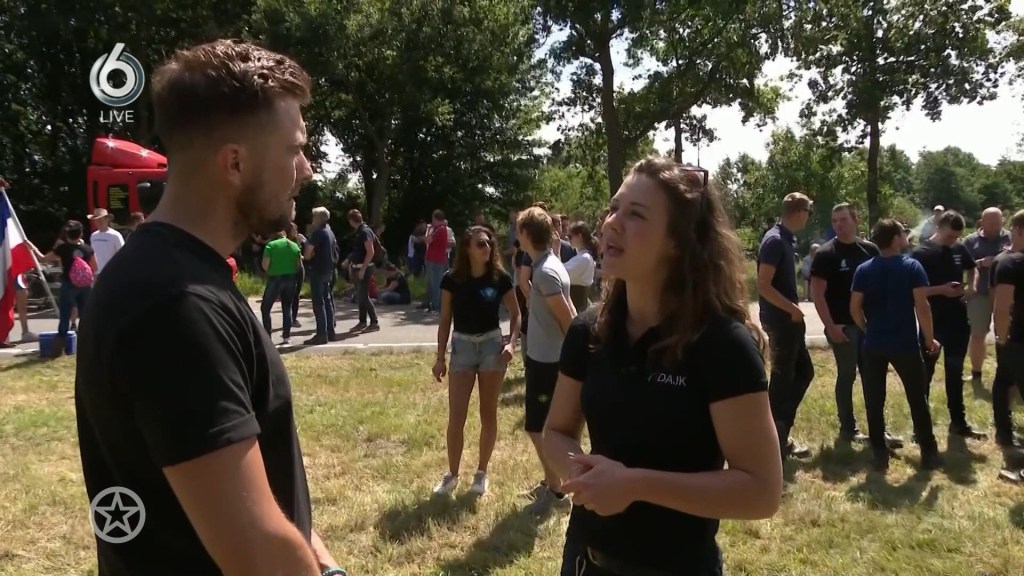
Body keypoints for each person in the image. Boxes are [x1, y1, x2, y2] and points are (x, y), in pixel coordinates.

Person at [73, 40, 346, 576]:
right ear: (236, 162)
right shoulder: (175, 305)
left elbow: (263, 489)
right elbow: (256, 552)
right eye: (294, 149)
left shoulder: (181, 277)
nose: (307, 169)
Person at [544, 158, 782, 576]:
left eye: (635, 214)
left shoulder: (722, 345)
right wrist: (581, 473)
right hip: (584, 560)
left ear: (678, 241)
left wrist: (634, 485)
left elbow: (761, 491)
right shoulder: (589, 331)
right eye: (613, 208)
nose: (611, 223)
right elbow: (556, 431)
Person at [431, 226, 520, 496]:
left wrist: (512, 343)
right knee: (456, 415)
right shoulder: (451, 279)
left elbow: (516, 314)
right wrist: (439, 358)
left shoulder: (500, 277)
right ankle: (452, 475)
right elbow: (445, 320)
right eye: (481, 244)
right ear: (467, 248)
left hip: (492, 347)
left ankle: (481, 474)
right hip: (463, 347)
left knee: (488, 412)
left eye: (489, 243)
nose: (487, 248)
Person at [850, 219, 942, 471]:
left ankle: (879, 454)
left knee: (874, 400)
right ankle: (929, 453)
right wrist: (929, 338)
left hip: (874, 344)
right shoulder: (911, 266)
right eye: (903, 232)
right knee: (917, 398)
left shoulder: (864, 270)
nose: (906, 236)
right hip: (904, 343)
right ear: (895, 238)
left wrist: (867, 329)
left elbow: (854, 308)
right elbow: (923, 307)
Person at [809, 203, 901, 448]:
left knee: (873, 377)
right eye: (834, 221)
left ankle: (879, 430)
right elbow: (817, 295)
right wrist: (831, 326)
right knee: (847, 375)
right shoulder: (826, 254)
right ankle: (848, 429)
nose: (838, 224)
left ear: (855, 220)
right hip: (843, 327)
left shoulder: (869, 249)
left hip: (869, 326)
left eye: (843, 220)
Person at [517, 206, 577, 514]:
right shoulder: (548, 263)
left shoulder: (545, 271)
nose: (517, 236)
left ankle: (557, 491)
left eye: (519, 230)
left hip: (548, 362)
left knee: (537, 428)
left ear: (526, 234)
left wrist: (575, 357)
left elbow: (568, 318)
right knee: (544, 427)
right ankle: (552, 481)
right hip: (545, 358)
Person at [909, 210, 985, 440]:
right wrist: (941, 290)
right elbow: (914, 291)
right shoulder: (920, 254)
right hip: (933, 321)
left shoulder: (959, 248)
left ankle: (958, 423)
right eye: (950, 236)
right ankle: (920, 427)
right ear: (938, 228)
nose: (954, 240)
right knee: (925, 373)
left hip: (958, 319)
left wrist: (972, 287)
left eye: (957, 236)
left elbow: (972, 268)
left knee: (955, 372)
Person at [756, 192, 814, 459]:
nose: (808, 218)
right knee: (783, 381)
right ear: (800, 212)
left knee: (802, 373)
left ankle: (777, 434)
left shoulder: (785, 239)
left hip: (787, 320)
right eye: (809, 212)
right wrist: (792, 309)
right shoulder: (775, 240)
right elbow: (763, 285)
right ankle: (774, 443)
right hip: (781, 320)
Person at [963, 207, 1011, 387]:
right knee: (977, 334)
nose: (995, 227)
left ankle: (1009, 374)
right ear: (982, 222)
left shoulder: (1010, 238)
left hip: (1005, 294)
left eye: (998, 223)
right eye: (991, 223)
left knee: (1007, 334)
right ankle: (976, 373)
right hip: (980, 294)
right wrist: (982, 263)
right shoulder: (970, 241)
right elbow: (964, 267)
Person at [991, 209, 1024, 470]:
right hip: (1017, 338)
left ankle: (1005, 435)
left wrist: (1002, 337)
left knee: (1004, 382)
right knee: (1003, 381)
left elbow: (1001, 308)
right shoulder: (1007, 262)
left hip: (1016, 339)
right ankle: (1003, 433)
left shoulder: (1007, 263)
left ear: (1017, 230)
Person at [42, 220, 96, 357]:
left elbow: (45, 258)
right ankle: (88, 345)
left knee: (65, 315)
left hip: (68, 284)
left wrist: (31, 248)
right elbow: (94, 266)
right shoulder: (87, 249)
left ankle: (59, 347)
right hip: (85, 286)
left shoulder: (63, 248)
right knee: (85, 315)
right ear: (81, 234)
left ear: (67, 235)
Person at [303, 206, 339, 345]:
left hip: (318, 270)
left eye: (314, 216)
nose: (312, 219)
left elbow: (307, 254)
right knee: (327, 301)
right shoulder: (330, 232)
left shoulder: (318, 233)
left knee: (318, 303)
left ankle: (321, 334)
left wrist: (305, 244)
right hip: (329, 270)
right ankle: (330, 332)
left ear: (319, 218)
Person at [260, 229, 301, 344]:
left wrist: (272, 269)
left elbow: (265, 265)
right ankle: (286, 336)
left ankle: (268, 336)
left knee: (266, 308)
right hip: (291, 278)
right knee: (287, 307)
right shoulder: (294, 246)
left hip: (275, 278)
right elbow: (298, 265)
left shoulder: (271, 245)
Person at [345, 209, 379, 332]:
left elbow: (370, 252)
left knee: (363, 296)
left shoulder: (365, 231)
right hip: (357, 267)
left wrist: (363, 268)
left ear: (351, 220)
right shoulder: (360, 231)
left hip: (364, 268)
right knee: (360, 296)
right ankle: (362, 321)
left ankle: (374, 322)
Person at [563, 221, 597, 313]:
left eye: (570, 236)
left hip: (577, 303)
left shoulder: (584, 258)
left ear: (579, 236)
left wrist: (556, 251)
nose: (568, 239)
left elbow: (561, 273)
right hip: (577, 302)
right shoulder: (582, 256)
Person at [87, 208, 125, 274]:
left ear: (107, 219)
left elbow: (123, 254)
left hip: (111, 272)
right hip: (97, 273)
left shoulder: (115, 235)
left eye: (100, 219)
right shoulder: (93, 236)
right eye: (96, 220)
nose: (98, 222)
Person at [286, 222, 306, 328]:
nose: (296, 232)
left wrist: (303, 242)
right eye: (294, 230)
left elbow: (302, 255)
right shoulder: (286, 242)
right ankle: (289, 318)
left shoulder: (297, 240)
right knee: (289, 294)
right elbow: (294, 255)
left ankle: (293, 318)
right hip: (290, 269)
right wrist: (298, 244)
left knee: (296, 295)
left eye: (296, 230)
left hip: (299, 270)